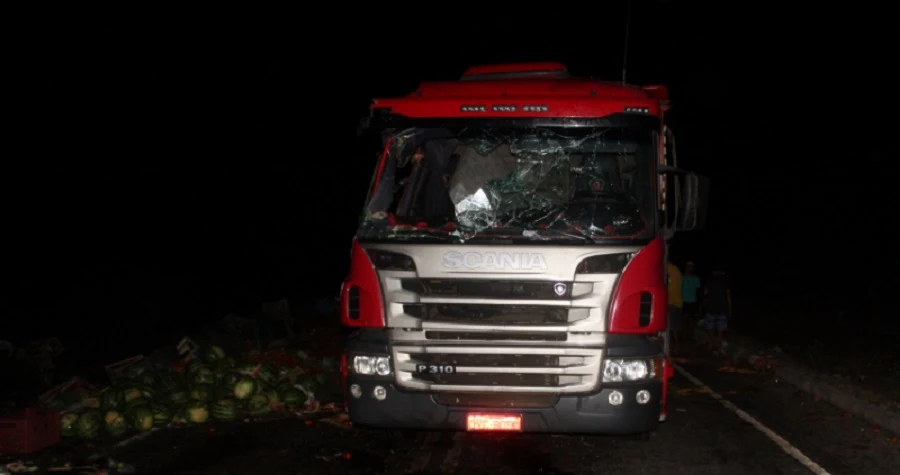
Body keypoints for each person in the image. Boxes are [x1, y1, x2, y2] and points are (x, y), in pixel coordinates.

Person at [702, 268, 732, 353]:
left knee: (710, 327)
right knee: (720, 328)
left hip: (711, 307)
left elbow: (705, 293)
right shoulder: (725, 282)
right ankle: (718, 345)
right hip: (721, 308)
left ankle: (713, 343)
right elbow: (728, 296)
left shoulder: (709, 281)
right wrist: (730, 309)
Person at [666, 261, 684, 356]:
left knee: (671, 327)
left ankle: (674, 347)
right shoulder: (676, 269)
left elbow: (669, 286)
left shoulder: (667, 269)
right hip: (677, 301)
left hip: (671, 302)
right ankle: (675, 346)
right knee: (674, 326)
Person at [681, 261, 702, 325]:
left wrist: (699, 301)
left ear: (693, 268)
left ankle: (691, 331)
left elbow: (698, 290)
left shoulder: (696, 278)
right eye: (687, 267)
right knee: (683, 317)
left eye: (690, 267)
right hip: (683, 300)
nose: (689, 268)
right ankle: (684, 331)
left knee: (691, 317)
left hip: (692, 300)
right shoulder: (681, 277)